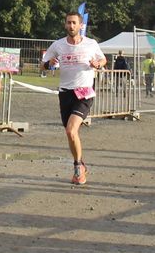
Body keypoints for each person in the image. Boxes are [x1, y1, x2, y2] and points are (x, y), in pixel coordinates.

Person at [41, 11, 107, 185]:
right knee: (70, 133)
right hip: (65, 93)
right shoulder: (58, 45)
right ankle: (81, 164)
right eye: (68, 23)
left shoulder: (91, 44)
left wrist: (97, 64)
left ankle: (77, 167)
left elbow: (103, 60)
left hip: (84, 93)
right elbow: (43, 65)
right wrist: (49, 64)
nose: (71, 26)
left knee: (71, 130)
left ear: (80, 25)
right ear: (65, 24)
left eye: (74, 23)